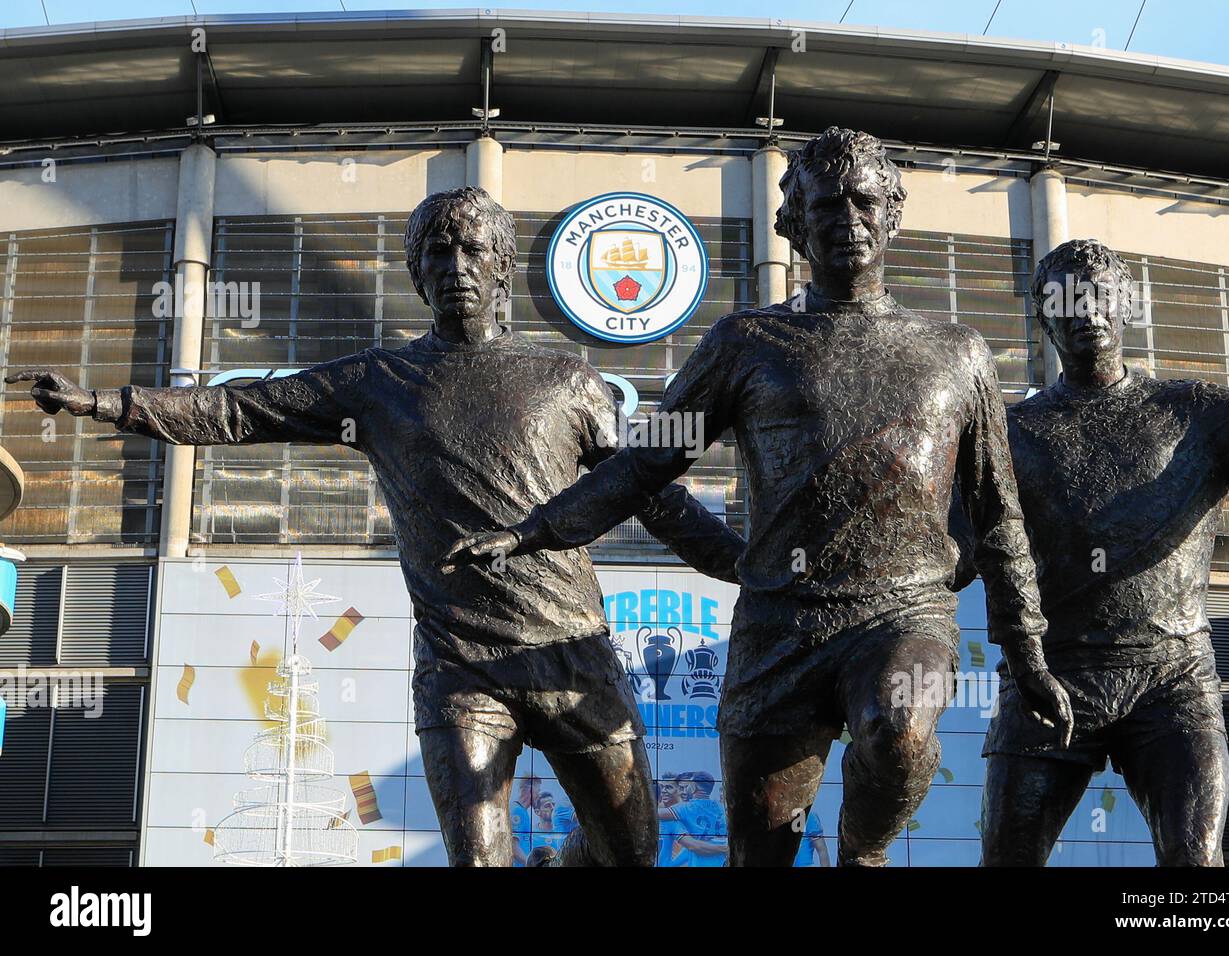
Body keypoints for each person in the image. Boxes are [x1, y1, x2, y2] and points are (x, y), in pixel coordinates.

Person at [7, 186, 745, 868]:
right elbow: (238, 411)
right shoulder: (378, 382)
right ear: (418, 276)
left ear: (500, 268)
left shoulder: (569, 381)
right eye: (437, 253)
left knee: (632, 852)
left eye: (472, 251)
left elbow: (649, 493)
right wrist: (106, 403)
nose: (455, 266)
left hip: (570, 654)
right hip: (462, 670)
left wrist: (746, 563)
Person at [443, 128, 1073, 866]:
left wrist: (1026, 650)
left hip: (904, 610)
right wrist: (537, 531)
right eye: (826, 205)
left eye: (865, 201)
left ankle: (863, 851)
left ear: (893, 215)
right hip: (781, 623)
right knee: (762, 850)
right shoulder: (746, 342)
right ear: (794, 223)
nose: (848, 220)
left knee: (900, 728)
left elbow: (997, 512)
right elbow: (644, 463)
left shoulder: (957, 351)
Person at [979, 238, 1229, 866]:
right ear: (1043, 318)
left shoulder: (1197, 414)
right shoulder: (1012, 435)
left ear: (1126, 304)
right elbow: (960, 551)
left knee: (1194, 868)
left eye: (1098, 294)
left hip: (1172, 677)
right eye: (1063, 300)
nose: (1084, 311)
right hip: (1051, 675)